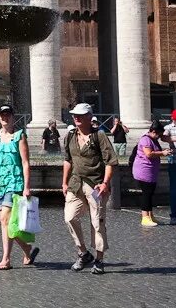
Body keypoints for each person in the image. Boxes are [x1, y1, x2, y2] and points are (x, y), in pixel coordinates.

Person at [62, 103, 118, 274]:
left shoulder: (99, 135)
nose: (76, 118)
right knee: (70, 217)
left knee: (97, 223)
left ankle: (99, 259)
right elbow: (67, 160)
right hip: (75, 183)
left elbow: (110, 162)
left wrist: (105, 183)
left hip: (95, 185)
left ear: (89, 116)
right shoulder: (70, 136)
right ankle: (83, 253)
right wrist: (64, 182)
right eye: (74, 115)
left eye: (80, 115)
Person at [0, 105, 38, 270]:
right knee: (5, 222)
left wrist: (27, 187)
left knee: (5, 219)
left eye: (8, 115)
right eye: (2, 115)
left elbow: (25, 163)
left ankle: (6, 259)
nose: (5, 118)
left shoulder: (19, 136)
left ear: (13, 117)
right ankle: (27, 249)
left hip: (14, 182)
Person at [132, 121, 171, 227]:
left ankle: (150, 216)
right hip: (144, 171)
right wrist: (163, 153)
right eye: (158, 134)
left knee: (150, 193)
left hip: (151, 172)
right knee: (146, 194)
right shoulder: (145, 140)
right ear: (153, 131)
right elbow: (148, 154)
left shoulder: (153, 139)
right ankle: (145, 217)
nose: (159, 137)